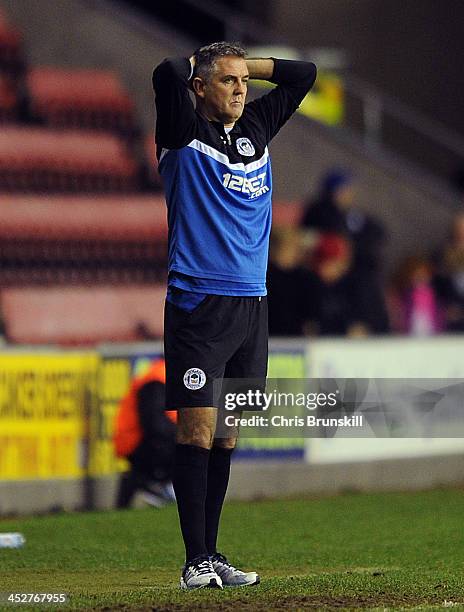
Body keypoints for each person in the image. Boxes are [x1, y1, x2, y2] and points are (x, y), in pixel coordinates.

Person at [152, 42, 316, 589]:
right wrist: (204, 59)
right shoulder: (181, 129)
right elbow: (166, 71)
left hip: (253, 303)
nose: (243, 90)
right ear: (200, 88)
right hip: (200, 302)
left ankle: (213, 553)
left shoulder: (256, 127)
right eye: (229, 81)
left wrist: (245, 63)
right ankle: (192, 560)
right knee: (197, 432)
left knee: (226, 435)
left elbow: (304, 74)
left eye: (245, 81)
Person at [301, 169, 390, 334]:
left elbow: (378, 231)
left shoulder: (351, 215)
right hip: (329, 267)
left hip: (352, 273)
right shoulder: (319, 212)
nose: (349, 193)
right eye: (345, 189)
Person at [114, 358, 177, 508]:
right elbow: (154, 423)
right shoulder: (157, 378)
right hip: (136, 442)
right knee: (195, 444)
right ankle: (158, 484)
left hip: (143, 439)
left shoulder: (166, 374)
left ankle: (160, 485)